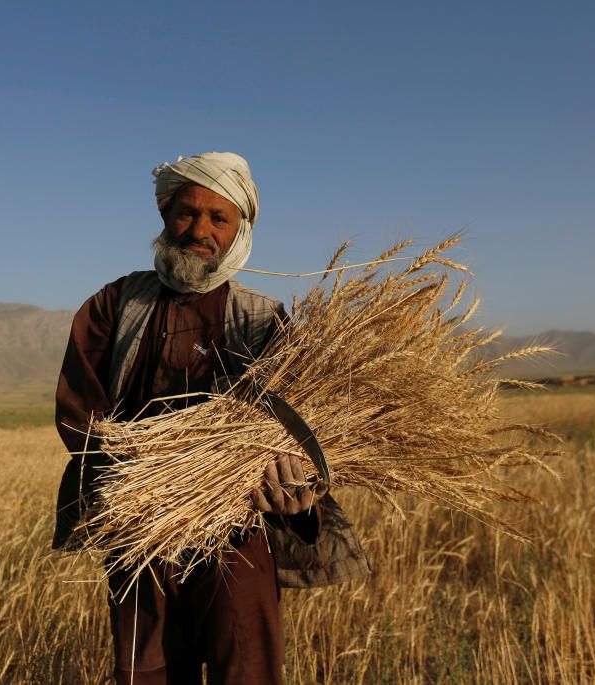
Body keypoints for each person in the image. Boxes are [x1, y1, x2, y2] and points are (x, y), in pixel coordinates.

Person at [52, 152, 366, 684]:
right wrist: (145, 477)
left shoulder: (265, 320)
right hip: (142, 529)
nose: (199, 230)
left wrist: (293, 481)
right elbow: (81, 412)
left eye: (218, 218)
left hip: (240, 531)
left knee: (242, 666)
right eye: (186, 213)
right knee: (144, 671)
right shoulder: (114, 305)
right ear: (164, 215)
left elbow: (296, 430)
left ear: (239, 229)